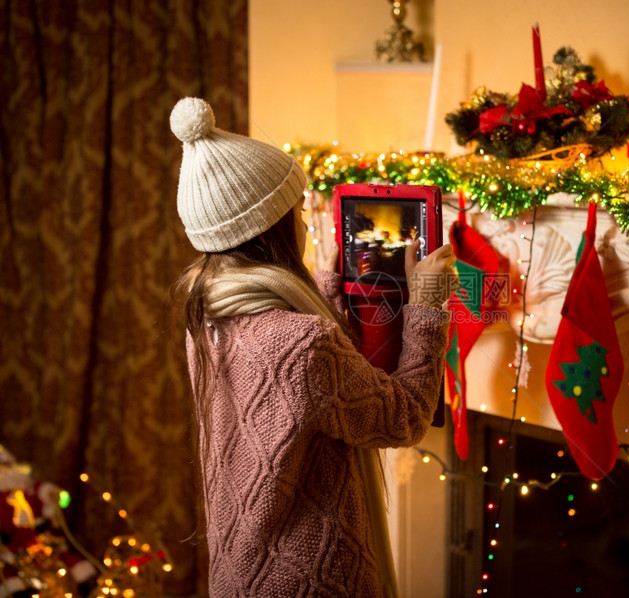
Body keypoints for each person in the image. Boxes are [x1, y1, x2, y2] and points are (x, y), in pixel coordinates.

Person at [169, 97, 457, 598]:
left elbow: (284, 398)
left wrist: (332, 285)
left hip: (240, 575)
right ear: (275, 228)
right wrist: (429, 300)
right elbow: (406, 417)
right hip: (312, 582)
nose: (305, 224)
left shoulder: (207, 319)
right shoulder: (305, 343)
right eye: (299, 211)